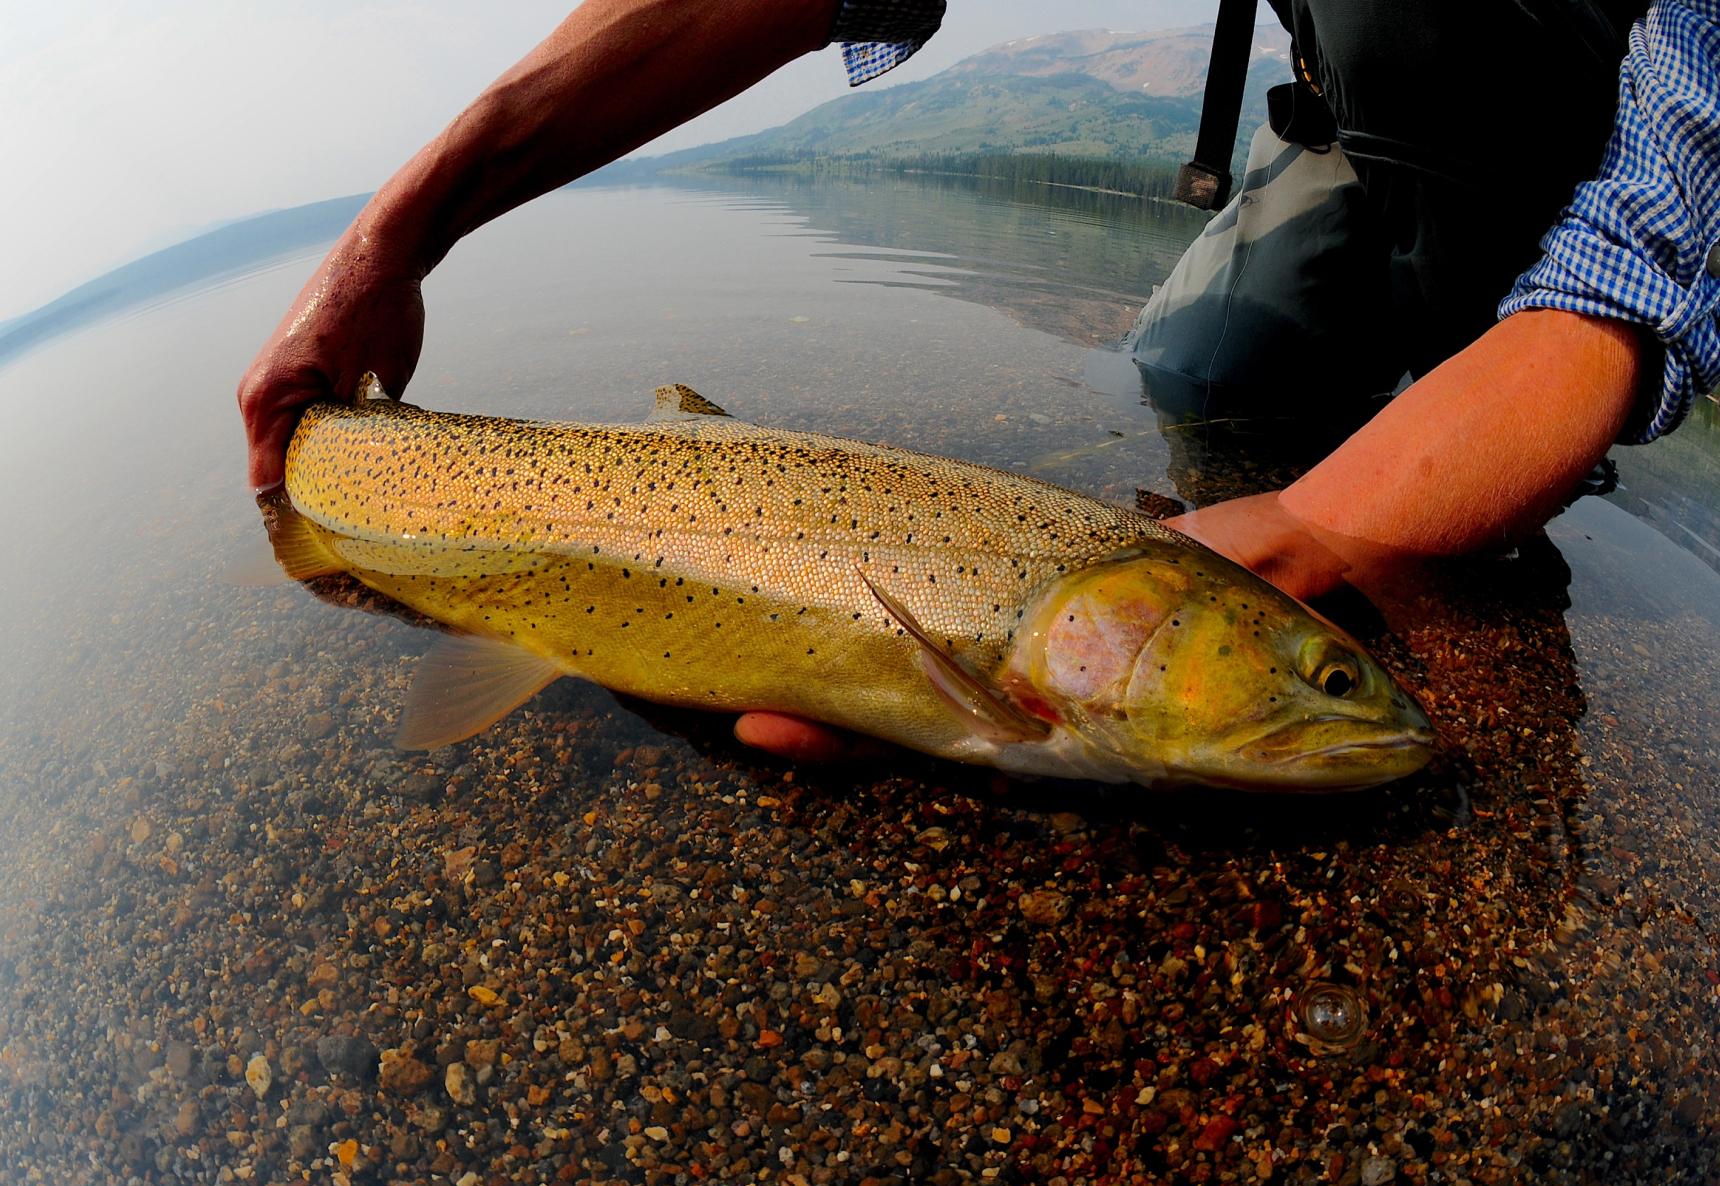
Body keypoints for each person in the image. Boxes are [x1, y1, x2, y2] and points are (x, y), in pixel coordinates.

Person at [239, 0, 1720, 761]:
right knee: (1199, 366)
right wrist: (399, 228)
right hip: (1354, 109)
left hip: (1626, 104)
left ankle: (1477, 469)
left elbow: (1657, 235)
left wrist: (1337, 530)